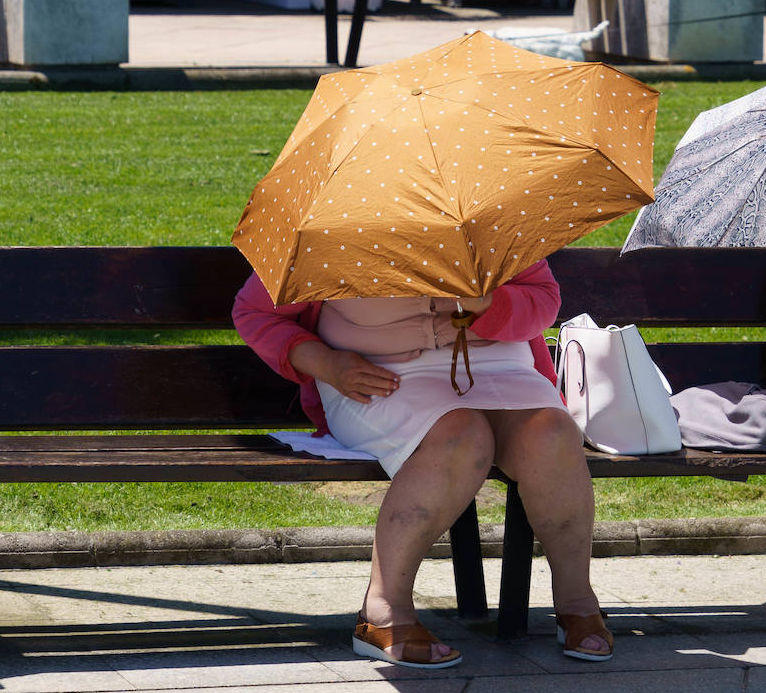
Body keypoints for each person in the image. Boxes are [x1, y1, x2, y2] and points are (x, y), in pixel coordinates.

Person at [232, 260, 612, 668]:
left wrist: (485, 301)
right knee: (461, 434)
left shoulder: (486, 211)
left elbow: (542, 300)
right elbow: (255, 314)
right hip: (378, 375)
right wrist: (327, 364)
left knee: (551, 432)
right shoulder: (333, 229)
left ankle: (577, 601)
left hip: (501, 365)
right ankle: (382, 612)